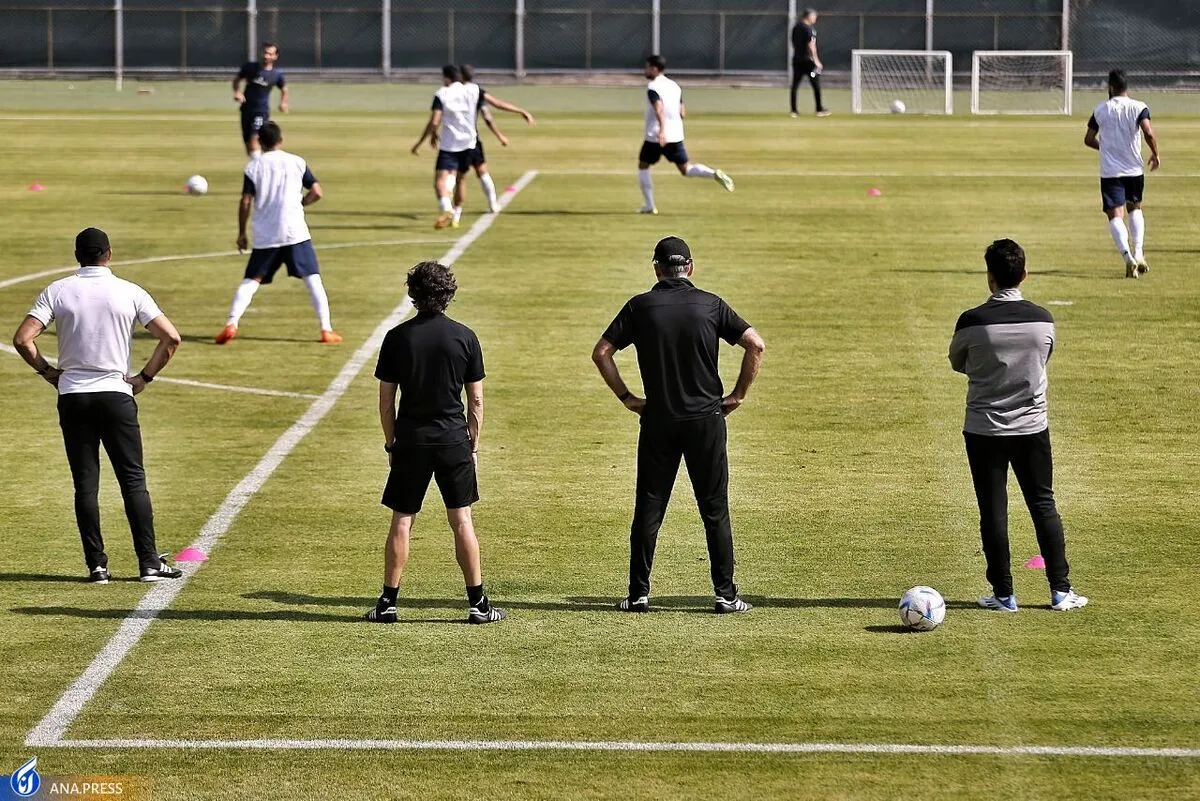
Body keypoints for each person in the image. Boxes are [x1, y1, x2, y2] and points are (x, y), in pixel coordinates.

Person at [592, 236, 765, 614]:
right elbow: (756, 344)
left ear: (657, 269)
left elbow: (602, 353)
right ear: (690, 267)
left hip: (659, 420)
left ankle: (638, 595)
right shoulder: (711, 304)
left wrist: (627, 398)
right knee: (714, 509)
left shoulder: (639, 307)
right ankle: (725, 595)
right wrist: (737, 395)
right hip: (707, 420)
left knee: (649, 508)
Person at [11, 228, 184, 584]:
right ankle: (149, 562)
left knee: (85, 484)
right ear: (109, 254)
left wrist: (47, 371)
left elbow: (23, 339)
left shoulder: (58, 290)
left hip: (73, 396)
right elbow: (171, 338)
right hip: (116, 394)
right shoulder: (130, 291)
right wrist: (144, 378)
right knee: (133, 481)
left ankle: (97, 566)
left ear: (78, 255)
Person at [949, 238, 1088, 613]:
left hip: (984, 429)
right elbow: (1043, 358)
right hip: (1031, 427)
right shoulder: (1043, 319)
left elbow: (957, 362)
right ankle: (1061, 592)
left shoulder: (971, 321)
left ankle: (1004, 595)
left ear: (989, 277)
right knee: (1043, 504)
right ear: (1024, 274)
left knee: (993, 510)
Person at [366, 261, 505, 625]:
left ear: (413, 294)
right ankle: (477, 604)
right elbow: (476, 401)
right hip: (453, 439)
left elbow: (386, 401)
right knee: (461, 520)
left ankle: (388, 603)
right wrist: (473, 445)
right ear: (448, 295)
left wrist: (391, 444)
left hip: (411, 440)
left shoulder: (396, 338)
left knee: (402, 519)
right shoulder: (465, 337)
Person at [216, 121, 341, 345]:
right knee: (312, 279)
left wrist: (242, 232)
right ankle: (326, 329)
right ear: (280, 140)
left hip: (266, 234)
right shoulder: (297, 162)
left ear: (259, 142)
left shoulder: (253, 167)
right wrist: (301, 203)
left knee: (251, 281)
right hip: (295, 232)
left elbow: (246, 201)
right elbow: (317, 192)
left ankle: (231, 323)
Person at [1085, 69, 1159, 279]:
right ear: (1127, 87)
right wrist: (1155, 154)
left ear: (1110, 87)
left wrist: (1105, 148)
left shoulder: (1100, 109)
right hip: (1134, 169)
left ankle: (1128, 257)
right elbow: (1148, 132)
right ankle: (1139, 252)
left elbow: (1088, 139)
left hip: (1111, 172)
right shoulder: (1139, 107)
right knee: (1135, 208)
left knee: (1115, 215)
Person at [637, 55, 735, 215]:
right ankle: (713, 174)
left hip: (655, 136)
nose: (645, 70)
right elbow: (682, 110)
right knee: (686, 169)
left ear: (654, 68)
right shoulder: (675, 86)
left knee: (643, 165)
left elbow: (659, 109)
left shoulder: (653, 87)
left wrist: (662, 130)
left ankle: (649, 206)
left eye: (647, 67)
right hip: (675, 135)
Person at [447, 64, 537, 227]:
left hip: (454, 141)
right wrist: (520, 112)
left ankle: (454, 211)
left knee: (460, 177)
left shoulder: (451, 92)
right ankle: (493, 203)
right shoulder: (476, 91)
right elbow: (494, 108)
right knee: (482, 171)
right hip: (472, 140)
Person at [411, 65, 479, 230]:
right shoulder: (473, 90)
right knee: (460, 179)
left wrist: (422, 141)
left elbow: (435, 121)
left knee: (440, 181)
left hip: (450, 145)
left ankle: (447, 209)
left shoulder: (442, 93)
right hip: (469, 144)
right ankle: (456, 216)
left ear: (447, 77)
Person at [233, 42, 288, 157]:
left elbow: (284, 89)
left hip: (261, 111)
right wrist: (237, 92)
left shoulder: (276, 74)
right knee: (248, 144)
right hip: (246, 110)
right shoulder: (250, 67)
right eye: (265, 53)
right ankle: (257, 163)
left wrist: (283, 103)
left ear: (275, 56)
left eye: (270, 54)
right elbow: (237, 80)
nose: (266, 56)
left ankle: (260, 166)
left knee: (255, 138)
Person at [790, 8, 830, 117]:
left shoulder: (795, 27)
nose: (815, 18)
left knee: (795, 85)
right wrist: (816, 60)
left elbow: (793, 42)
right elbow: (811, 45)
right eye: (814, 16)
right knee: (815, 84)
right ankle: (819, 109)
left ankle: (794, 110)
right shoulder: (809, 29)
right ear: (809, 16)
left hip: (797, 60)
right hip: (808, 62)